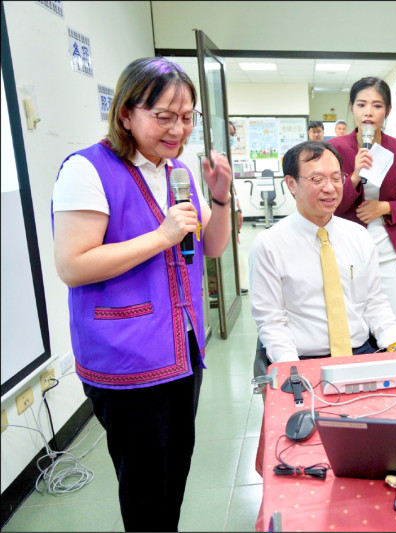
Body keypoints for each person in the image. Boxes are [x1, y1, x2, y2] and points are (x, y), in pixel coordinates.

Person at [51, 57, 232, 531]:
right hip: (127, 356)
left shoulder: (177, 172)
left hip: (180, 349)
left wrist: (219, 198)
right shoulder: (87, 169)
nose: (179, 130)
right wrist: (160, 236)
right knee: (145, 487)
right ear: (126, 113)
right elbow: (72, 265)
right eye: (164, 116)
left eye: (187, 116)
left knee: (174, 474)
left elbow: (210, 248)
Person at [249, 141, 396, 364]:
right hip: (305, 358)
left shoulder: (359, 236)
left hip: (361, 352)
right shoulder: (269, 245)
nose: (330, 188)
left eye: (336, 178)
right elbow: (271, 321)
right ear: (291, 184)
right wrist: (291, 367)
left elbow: (375, 304)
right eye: (317, 179)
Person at [328, 77, 396, 328]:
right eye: (361, 105)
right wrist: (356, 177)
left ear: (388, 111)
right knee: (351, 325)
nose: (368, 112)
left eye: (377, 106)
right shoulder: (333, 148)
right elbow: (329, 205)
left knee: (392, 323)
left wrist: (386, 207)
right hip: (346, 250)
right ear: (352, 108)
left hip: (388, 251)